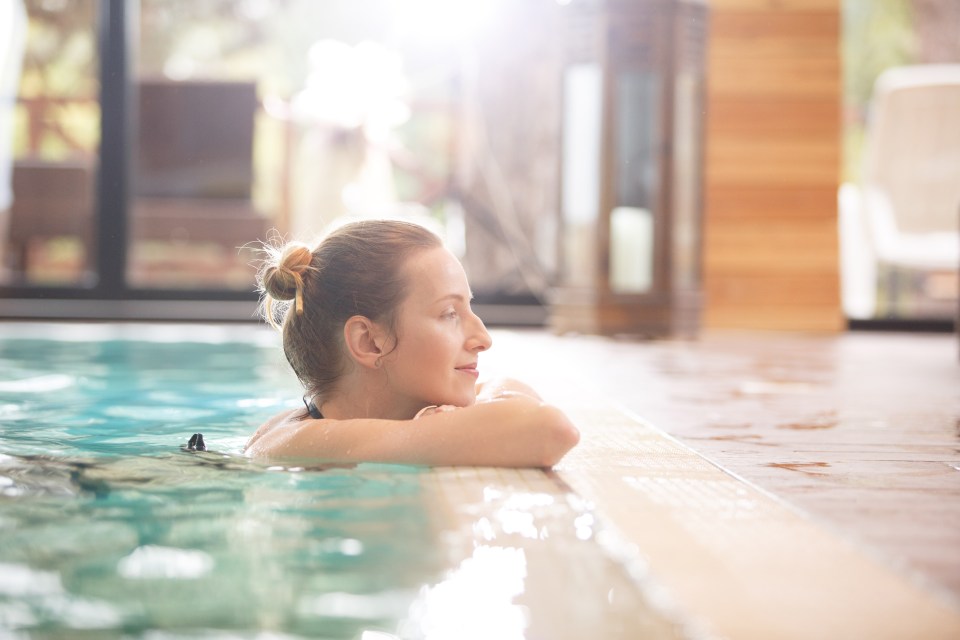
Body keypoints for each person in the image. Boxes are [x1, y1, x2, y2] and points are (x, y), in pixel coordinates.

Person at [244, 219, 579, 467]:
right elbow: (550, 430)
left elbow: (509, 389)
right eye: (449, 313)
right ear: (369, 341)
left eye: (468, 307)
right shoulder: (301, 444)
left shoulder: (376, 419)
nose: (482, 339)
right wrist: (453, 422)